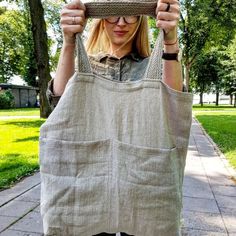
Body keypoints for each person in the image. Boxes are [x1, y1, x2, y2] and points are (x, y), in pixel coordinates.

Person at [47, 0, 182, 235]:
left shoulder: (155, 66)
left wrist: (170, 40)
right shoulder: (82, 65)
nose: (121, 23)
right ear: (100, 19)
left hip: (145, 185)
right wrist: (69, 41)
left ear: (140, 19)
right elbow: (59, 102)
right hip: (87, 183)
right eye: (112, 15)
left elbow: (174, 101)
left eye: (129, 15)